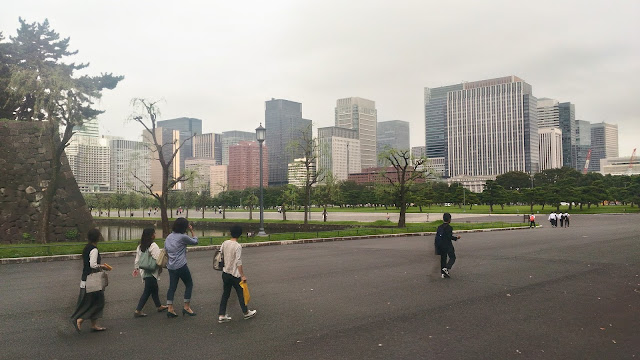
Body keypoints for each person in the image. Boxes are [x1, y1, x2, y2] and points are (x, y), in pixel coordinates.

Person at [71, 229, 111, 332]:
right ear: (97, 238)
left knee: (91, 302)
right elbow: (92, 264)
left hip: (85, 279)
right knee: (98, 302)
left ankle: (94, 324)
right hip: (92, 280)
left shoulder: (86, 248)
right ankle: (80, 319)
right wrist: (102, 266)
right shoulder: (94, 249)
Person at [218, 225, 257, 323]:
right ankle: (246, 312)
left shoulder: (225, 243)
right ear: (239, 234)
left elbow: (220, 255)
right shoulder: (237, 246)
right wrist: (242, 275)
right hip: (235, 274)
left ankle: (221, 315)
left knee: (225, 294)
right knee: (241, 293)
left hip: (225, 272)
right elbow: (238, 262)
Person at [164, 218, 198, 318]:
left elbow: (165, 249)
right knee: (189, 284)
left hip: (171, 266)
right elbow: (195, 241)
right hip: (181, 265)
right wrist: (192, 231)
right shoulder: (183, 237)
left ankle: (170, 308)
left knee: (172, 287)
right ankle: (186, 307)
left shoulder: (169, 237)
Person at [132, 228, 169, 317]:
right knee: (147, 291)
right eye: (154, 233)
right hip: (151, 271)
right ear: (151, 235)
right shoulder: (153, 245)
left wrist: (136, 268)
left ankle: (159, 306)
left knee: (154, 289)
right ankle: (138, 310)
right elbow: (158, 258)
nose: (155, 235)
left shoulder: (140, 246)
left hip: (144, 271)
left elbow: (137, 259)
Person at [435, 213, 461, 279]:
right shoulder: (449, 228)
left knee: (443, 259)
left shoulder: (439, 227)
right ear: (449, 219)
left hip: (440, 245)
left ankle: (443, 274)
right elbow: (449, 237)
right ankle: (446, 268)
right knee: (452, 257)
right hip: (447, 245)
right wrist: (456, 238)